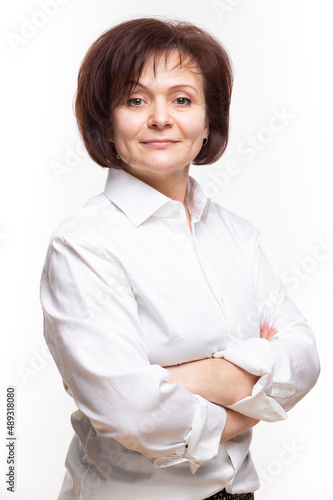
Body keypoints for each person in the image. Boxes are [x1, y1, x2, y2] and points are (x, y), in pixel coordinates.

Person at [40, 17, 320, 500]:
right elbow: (132, 412)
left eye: (182, 99)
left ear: (209, 121)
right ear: (106, 121)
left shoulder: (237, 235)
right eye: (135, 99)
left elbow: (305, 360)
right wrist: (251, 396)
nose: (160, 118)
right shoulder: (83, 246)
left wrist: (186, 378)